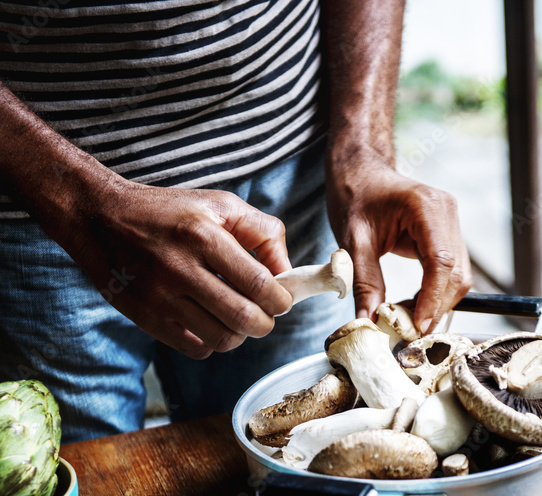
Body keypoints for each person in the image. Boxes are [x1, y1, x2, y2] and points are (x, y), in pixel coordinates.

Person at [0, 0, 472, 443]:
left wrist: (362, 147)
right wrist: (80, 204)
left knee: (277, 460)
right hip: (37, 211)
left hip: (289, 173)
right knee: (91, 492)